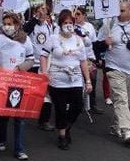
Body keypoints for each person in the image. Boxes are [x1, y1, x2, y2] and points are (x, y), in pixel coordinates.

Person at [40, 9, 93, 150]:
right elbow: (44, 55)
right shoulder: (53, 38)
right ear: (60, 24)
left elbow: (83, 61)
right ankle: (62, 135)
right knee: (60, 108)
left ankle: (66, 126)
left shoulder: (78, 41)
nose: (68, 25)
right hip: (57, 79)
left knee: (77, 106)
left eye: (70, 22)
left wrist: (88, 80)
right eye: (65, 22)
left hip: (75, 78)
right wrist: (44, 73)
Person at [0, 12, 34, 160]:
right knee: (3, 114)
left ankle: (19, 149)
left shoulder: (25, 39)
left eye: (10, 24)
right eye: (5, 23)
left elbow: (31, 58)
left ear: (17, 24)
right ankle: (0, 140)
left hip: (19, 81)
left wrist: (21, 67)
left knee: (19, 117)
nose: (7, 26)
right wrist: (0, 70)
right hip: (2, 81)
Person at [97, 1, 130, 146]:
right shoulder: (109, 25)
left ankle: (115, 126)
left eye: (122, 10)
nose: (119, 13)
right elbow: (96, 46)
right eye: (118, 10)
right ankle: (128, 131)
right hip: (114, 68)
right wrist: (105, 43)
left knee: (125, 102)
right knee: (121, 100)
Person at [23, 4, 54, 131]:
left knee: (46, 94)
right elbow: (24, 32)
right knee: (27, 92)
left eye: (45, 10)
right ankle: (21, 115)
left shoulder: (49, 26)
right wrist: (35, 19)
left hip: (44, 64)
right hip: (31, 63)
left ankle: (44, 120)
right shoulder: (31, 24)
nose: (42, 12)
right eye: (40, 10)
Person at [74, 6, 103, 114]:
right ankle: (79, 104)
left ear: (84, 16)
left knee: (92, 81)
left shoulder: (89, 26)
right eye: (75, 14)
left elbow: (94, 43)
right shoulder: (72, 26)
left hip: (90, 58)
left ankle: (93, 104)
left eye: (78, 14)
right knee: (78, 83)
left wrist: (98, 57)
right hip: (77, 59)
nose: (76, 16)